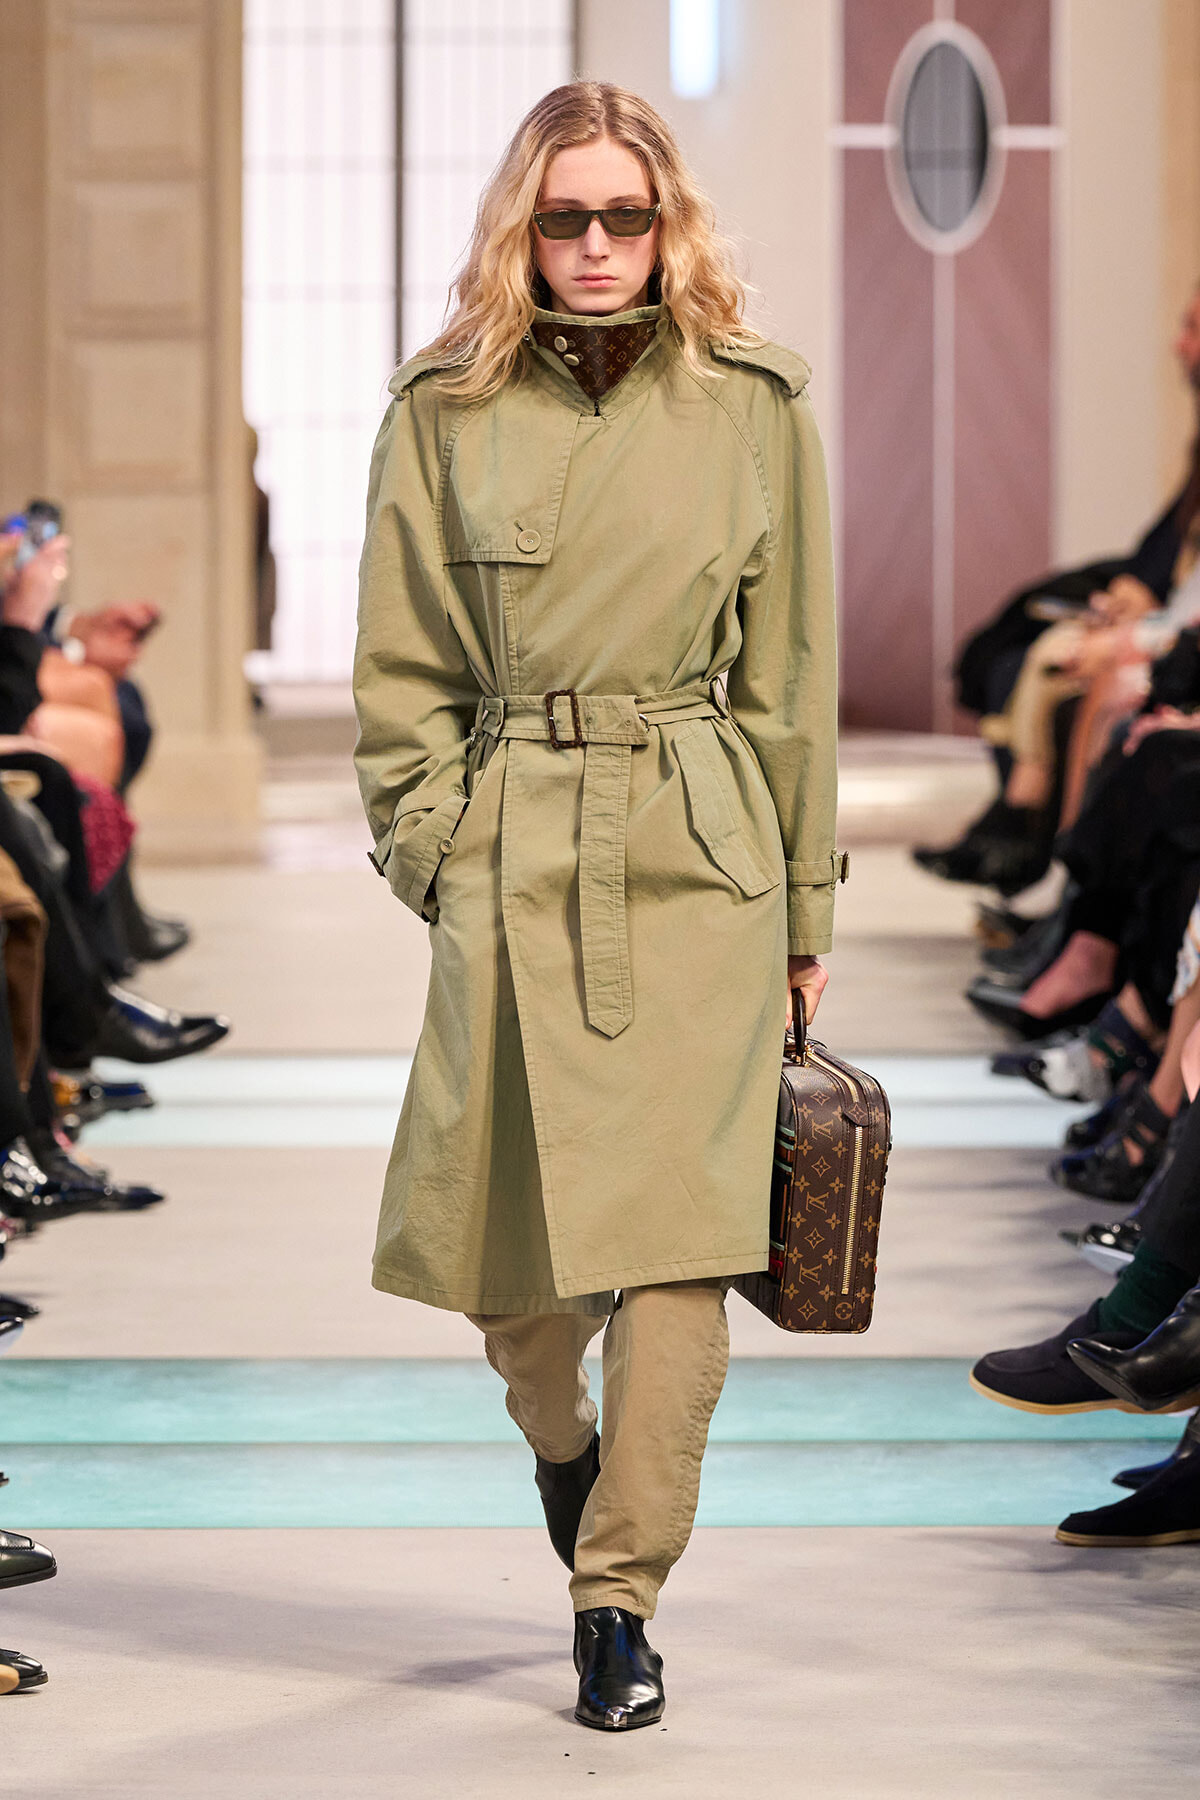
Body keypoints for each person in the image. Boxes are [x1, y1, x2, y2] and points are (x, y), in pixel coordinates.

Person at [353, 81, 845, 1731]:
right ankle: (564, 1450)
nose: (595, 247)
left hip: (698, 844)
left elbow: (791, 681)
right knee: (516, 1280)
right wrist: (433, 847)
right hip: (511, 841)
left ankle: (620, 1596)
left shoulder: (756, 404)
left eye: (624, 215)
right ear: (523, 227)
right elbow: (402, 664)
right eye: (564, 217)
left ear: (668, 220)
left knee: (681, 1255)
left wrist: (804, 905)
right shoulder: (443, 410)